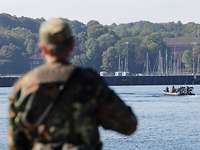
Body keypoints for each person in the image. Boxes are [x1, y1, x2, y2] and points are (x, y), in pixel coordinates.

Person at [8, 18, 137, 150]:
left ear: (42, 48)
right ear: (72, 45)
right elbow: (128, 125)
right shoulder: (90, 82)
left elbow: (16, 142)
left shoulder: (24, 85)